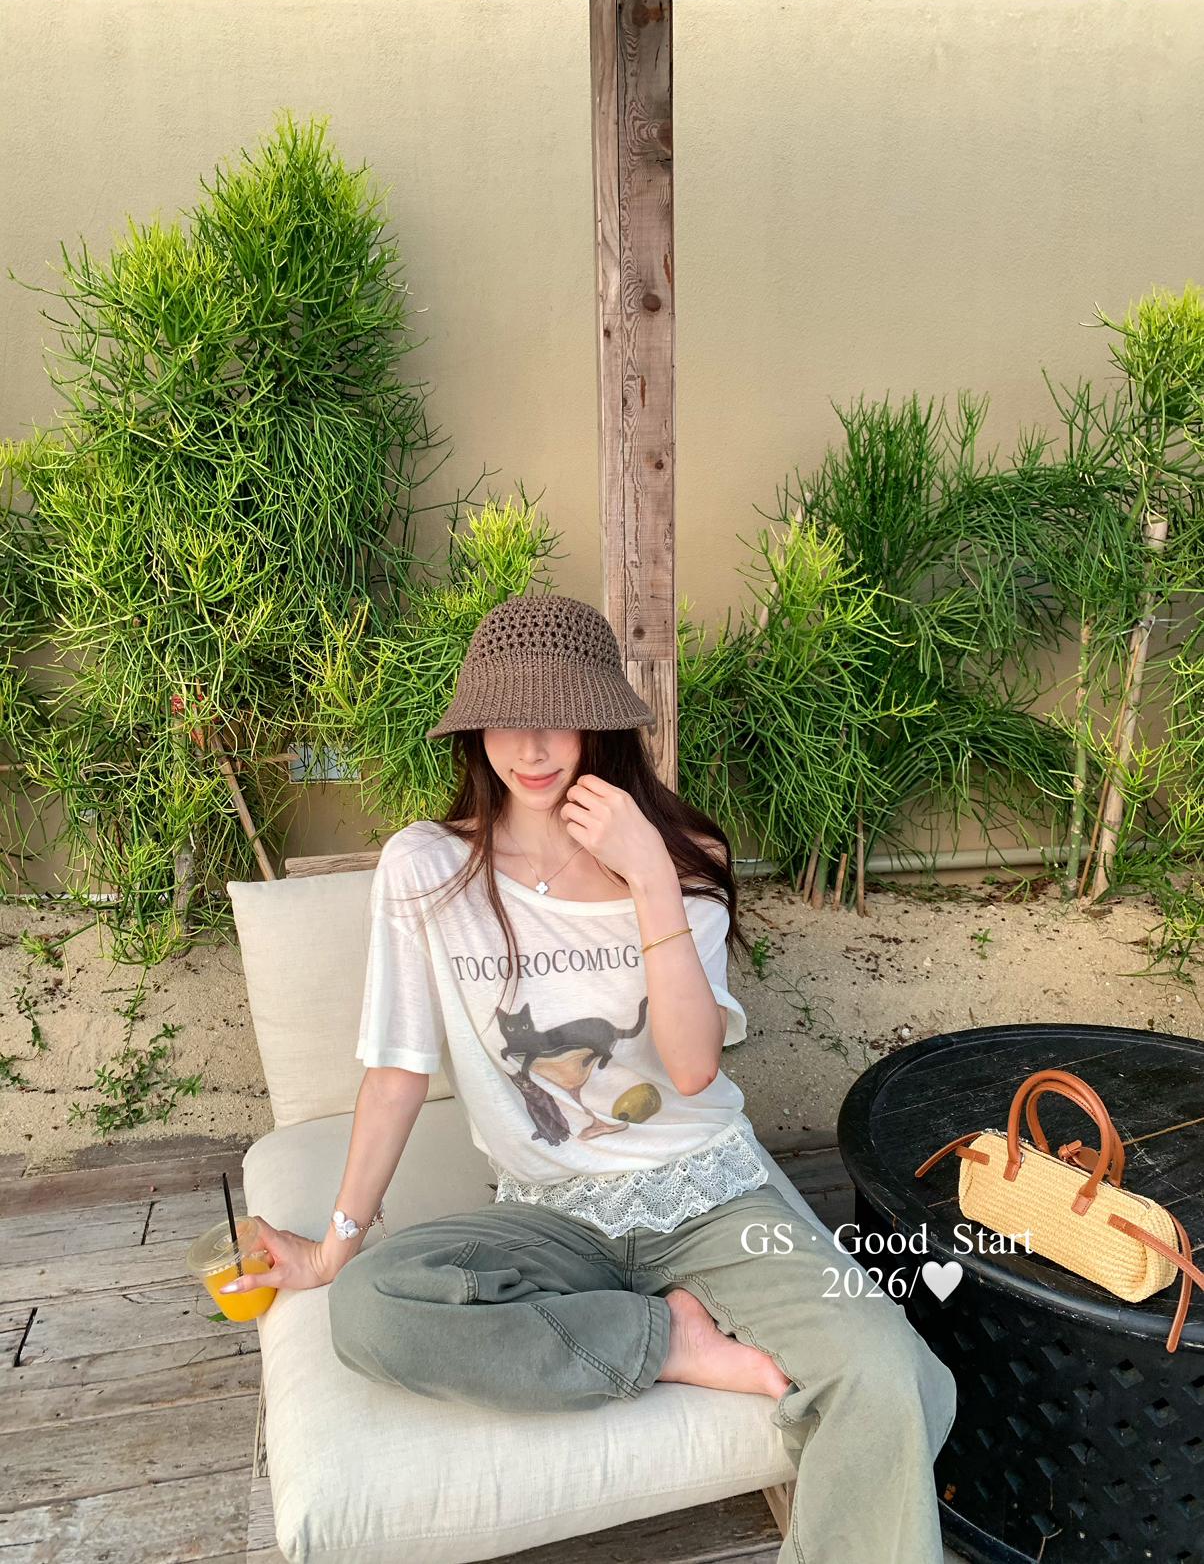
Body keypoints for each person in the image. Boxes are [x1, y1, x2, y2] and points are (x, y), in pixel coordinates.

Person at [223, 593, 957, 1564]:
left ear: (599, 723)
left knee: (893, 1373)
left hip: (708, 1194)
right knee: (371, 1309)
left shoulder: (680, 859)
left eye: (557, 717)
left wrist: (648, 875)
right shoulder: (427, 868)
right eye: (506, 718)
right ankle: (668, 1339)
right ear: (474, 727)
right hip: (550, 1216)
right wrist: (333, 1248)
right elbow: (397, 1071)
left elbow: (691, 1067)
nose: (530, 747)